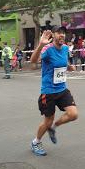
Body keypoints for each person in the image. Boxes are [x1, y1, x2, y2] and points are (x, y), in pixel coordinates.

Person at [30, 26, 78, 156]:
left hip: (62, 89)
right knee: (47, 120)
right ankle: (36, 142)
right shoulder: (47, 48)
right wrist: (40, 45)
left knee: (73, 114)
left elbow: (62, 63)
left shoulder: (65, 49)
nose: (62, 35)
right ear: (54, 35)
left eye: (63, 33)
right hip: (49, 91)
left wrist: (69, 67)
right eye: (59, 33)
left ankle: (54, 127)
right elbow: (33, 62)